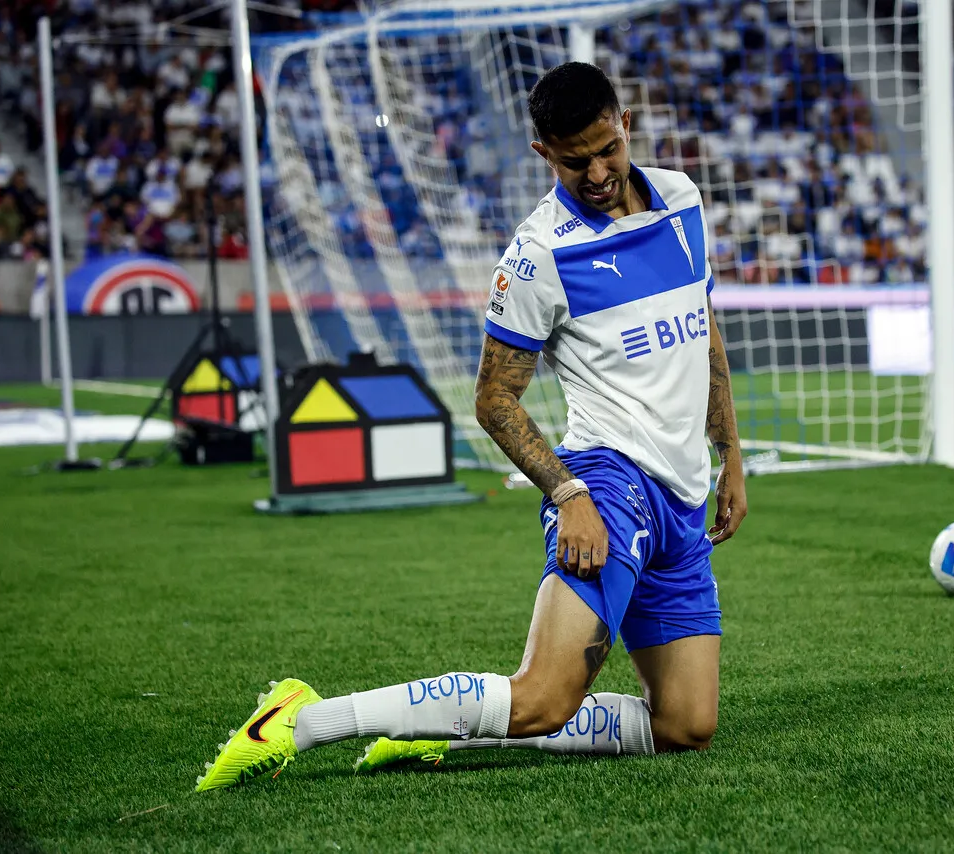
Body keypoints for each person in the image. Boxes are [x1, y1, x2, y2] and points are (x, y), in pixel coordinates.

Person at [195, 62, 748, 792]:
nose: (596, 173)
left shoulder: (681, 201)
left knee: (685, 726)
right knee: (543, 696)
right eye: (573, 160)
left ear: (626, 125)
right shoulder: (538, 254)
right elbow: (493, 398)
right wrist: (568, 492)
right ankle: (303, 720)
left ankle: (438, 728)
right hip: (610, 484)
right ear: (543, 153)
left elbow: (703, 329)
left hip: (681, 498)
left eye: (607, 149)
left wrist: (730, 453)